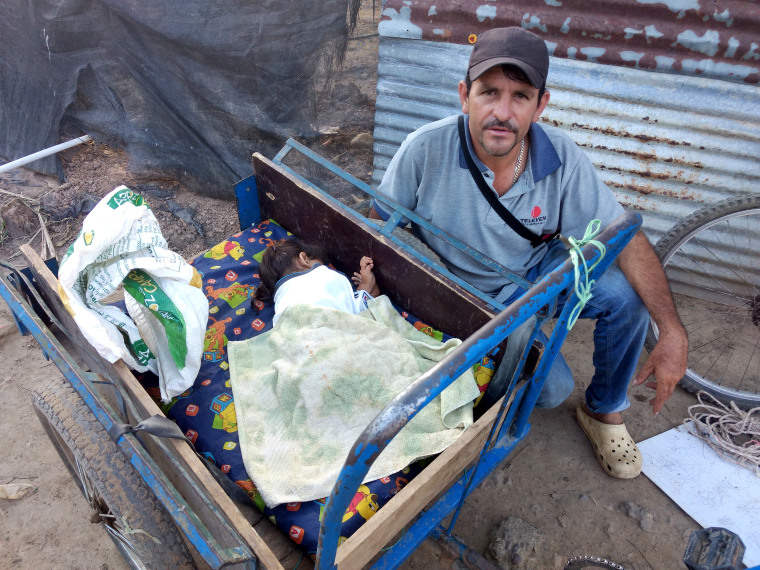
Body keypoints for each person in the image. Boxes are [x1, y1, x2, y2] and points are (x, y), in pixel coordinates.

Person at [368, 26, 688, 479]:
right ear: (465, 96)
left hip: (533, 278)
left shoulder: (561, 157)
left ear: (541, 106)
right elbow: (379, 221)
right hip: (460, 295)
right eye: (489, 92)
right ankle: (498, 362)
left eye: (520, 96)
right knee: (552, 388)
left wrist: (671, 331)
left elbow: (625, 238)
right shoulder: (425, 148)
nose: (502, 112)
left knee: (625, 296)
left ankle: (604, 410)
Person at [253, 238, 380, 326]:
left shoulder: (281, 303)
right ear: (304, 259)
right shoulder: (324, 275)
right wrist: (367, 285)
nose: (324, 267)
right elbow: (365, 310)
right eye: (321, 263)